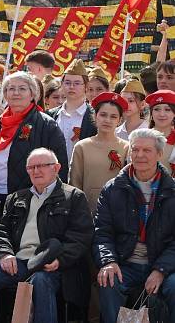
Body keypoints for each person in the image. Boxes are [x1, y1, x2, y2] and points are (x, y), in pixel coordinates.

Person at [0, 148, 93, 323]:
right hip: (19, 263)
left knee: (40, 281)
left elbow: (82, 236)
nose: (36, 171)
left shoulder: (73, 197)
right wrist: (5, 254)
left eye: (42, 166)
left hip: (53, 265)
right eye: (31, 167)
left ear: (57, 168)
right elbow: (0, 230)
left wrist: (61, 259)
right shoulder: (16, 198)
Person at [94, 128, 175, 322]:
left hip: (161, 263)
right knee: (108, 280)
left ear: (159, 154)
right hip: (125, 262)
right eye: (135, 150)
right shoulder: (113, 188)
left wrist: (160, 270)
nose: (139, 155)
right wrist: (108, 261)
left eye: (146, 150)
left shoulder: (171, 191)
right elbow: (102, 232)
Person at [0, 72, 68, 203]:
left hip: (31, 199)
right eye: (11, 89)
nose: (16, 93)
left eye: (22, 88)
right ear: (5, 94)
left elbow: (60, 167)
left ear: (32, 94)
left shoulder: (46, 125)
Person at [69, 92, 130, 214]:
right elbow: (74, 183)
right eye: (103, 115)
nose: (107, 120)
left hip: (118, 211)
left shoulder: (126, 147)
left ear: (119, 120)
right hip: (87, 212)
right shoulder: (82, 147)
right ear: (95, 116)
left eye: (113, 116)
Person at [47, 60, 97, 161]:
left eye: (77, 83)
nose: (71, 87)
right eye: (67, 83)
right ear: (62, 85)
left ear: (86, 86)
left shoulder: (95, 116)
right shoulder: (50, 115)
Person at [144, 90, 175, 170]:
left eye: (167, 110)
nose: (161, 114)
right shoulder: (141, 137)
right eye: (157, 109)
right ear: (151, 113)